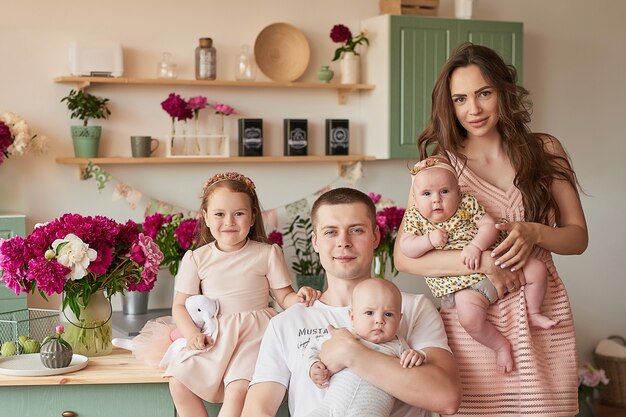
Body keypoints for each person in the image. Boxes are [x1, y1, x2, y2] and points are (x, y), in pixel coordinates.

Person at [393, 43, 588, 416]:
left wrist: (535, 233)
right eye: (460, 98)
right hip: (473, 323)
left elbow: (578, 236)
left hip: (539, 310)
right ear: (449, 105)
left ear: (503, 91)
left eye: (484, 93)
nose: (474, 109)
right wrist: (482, 264)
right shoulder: (440, 166)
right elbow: (406, 257)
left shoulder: (544, 149)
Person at [241, 187, 461, 417]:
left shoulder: (413, 308)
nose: (343, 242)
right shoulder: (287, 322)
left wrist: (351, 353)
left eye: (356, 230)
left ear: (376, 236)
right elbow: (258, 409)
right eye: (330, 232)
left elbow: (446, 398)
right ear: (315, 241)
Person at [165, 172, 320, 417]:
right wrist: (193, 333)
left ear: (252, 217)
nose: (229, 221)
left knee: (238, 390)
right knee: (178, 381)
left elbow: (284, 297)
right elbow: (180, 306)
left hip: (255, 335)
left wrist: (300, 297)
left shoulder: (267, 253)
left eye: (239, 213)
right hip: (215, 335)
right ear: (205, 217)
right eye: (219, 214)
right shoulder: (196, 258)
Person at [399, 155, 557, 374]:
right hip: (462, 283)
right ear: (415, 198)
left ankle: (534, 311)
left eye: (445, 191)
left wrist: (475, 246)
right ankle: (499, 345)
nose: (436, 200)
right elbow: (406, 249)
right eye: (427, 194)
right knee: (469, 318)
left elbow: (489, 226)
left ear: (458, 191)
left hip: (498, 259)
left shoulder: (467, 204)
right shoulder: (416, 217)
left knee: (537, 269)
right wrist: (428, 240)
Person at [306, 279, 426, 417]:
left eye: (388, 314)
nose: (379, 320)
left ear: (399, 319)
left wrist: (418, 356)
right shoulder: (343, 336)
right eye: (369, 313)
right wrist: (313, 365)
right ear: (352, 316)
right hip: (329, 409)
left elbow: (415, 375)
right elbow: (313, 347)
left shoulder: (399, 346)